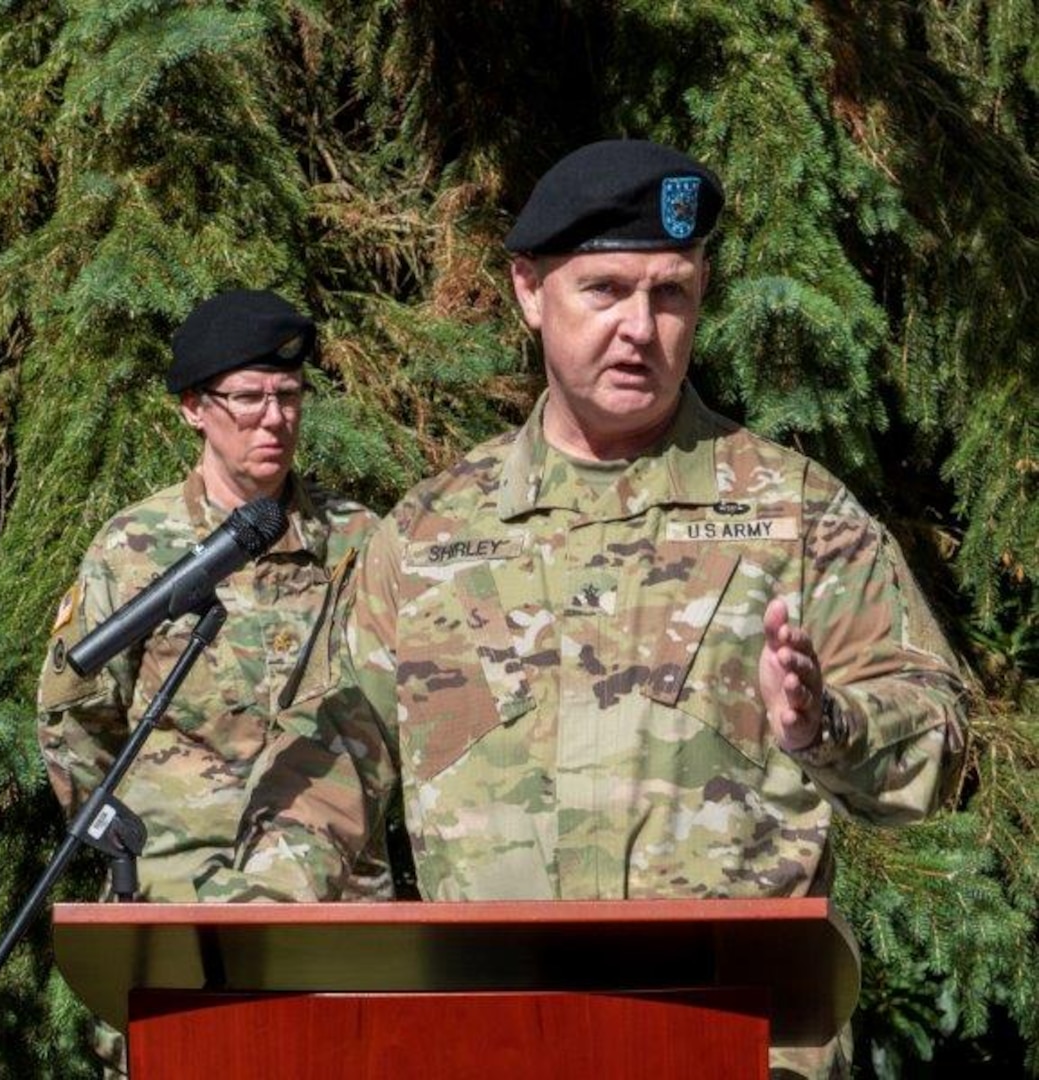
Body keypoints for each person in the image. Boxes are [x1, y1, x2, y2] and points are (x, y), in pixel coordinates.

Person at [235, 141, 966, 1078]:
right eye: (606, 290)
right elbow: (322, 779)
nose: (640, 328)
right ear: (528, 291)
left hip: (731, 1047)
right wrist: (250, 965)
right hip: (489, 1046)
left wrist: (829, 725)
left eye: (671, 295)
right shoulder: (426, 539)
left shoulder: (795, 516)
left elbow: (935, 754)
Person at [37, 288, 389, 906]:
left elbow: (396, 714)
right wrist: (140, 839)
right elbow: (77, 721)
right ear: (194, 408)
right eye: (250, 398)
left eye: (288, 395)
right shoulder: (136, 546)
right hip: (178, 890)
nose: (275, 419)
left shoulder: (360, 542)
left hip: (336, 899)